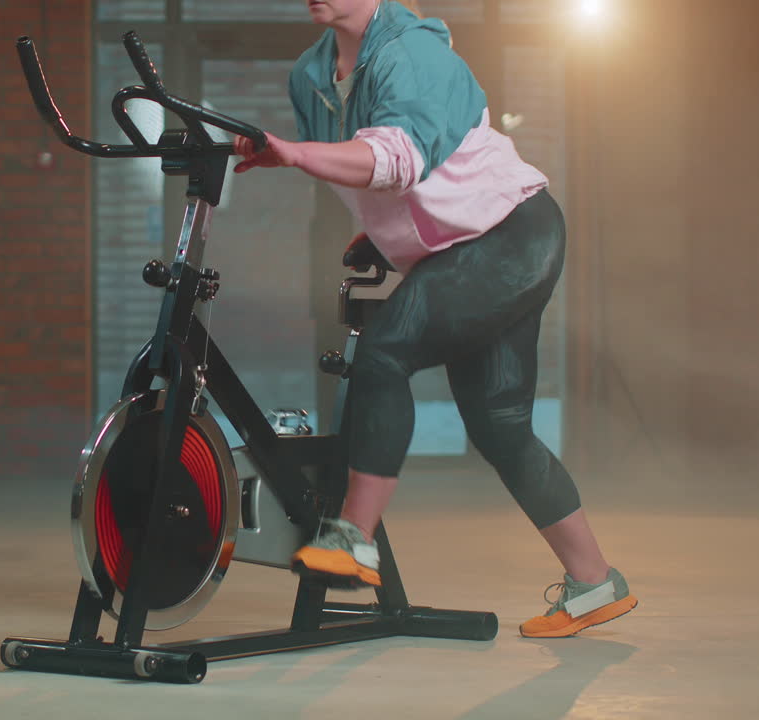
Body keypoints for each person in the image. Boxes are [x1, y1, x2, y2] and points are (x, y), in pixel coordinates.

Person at [232, 0, 637, 638]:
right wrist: (382, 233)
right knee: (500, 426)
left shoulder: (412, 51)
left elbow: (396, 161)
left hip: (509, 236)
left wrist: (297, 153)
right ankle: (595, 582)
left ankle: (354, 539)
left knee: (385, 353)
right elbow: (372, 176)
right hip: (464, 245)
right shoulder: (311, 74)